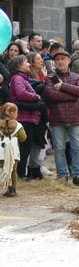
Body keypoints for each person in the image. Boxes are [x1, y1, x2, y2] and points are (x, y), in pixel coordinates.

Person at [43, 49, 79, 185]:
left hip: (75, 117)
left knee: (77, 147)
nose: (60, 61)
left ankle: (77, 174)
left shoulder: (76, 77)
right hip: (58, 118)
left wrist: (63, 86)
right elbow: (52, 95)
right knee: (59, 148)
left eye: (63, 59)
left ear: (69, 61)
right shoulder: (50, 78)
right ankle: (62, 174)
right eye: (57, 59)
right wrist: (72, 95)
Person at [8, 55, 45, 179]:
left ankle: (21, 173)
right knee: (24, 147)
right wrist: (36, 97)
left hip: (29, 117)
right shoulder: (18, 78)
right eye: (25, 62)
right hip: (24, 117)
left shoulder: (23, 78)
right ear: (19, 65)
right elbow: (21, 93)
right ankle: (20, 174)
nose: (28, 64)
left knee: (26, 146)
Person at [0, 103, 26, 197]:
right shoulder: (17, 125)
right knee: (13, 169)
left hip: (2, 149)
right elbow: (23, 138)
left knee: (5, 169)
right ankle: (13, 189)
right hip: (14, 149)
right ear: (13, 113)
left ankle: (8, 188)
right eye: (16, 112)